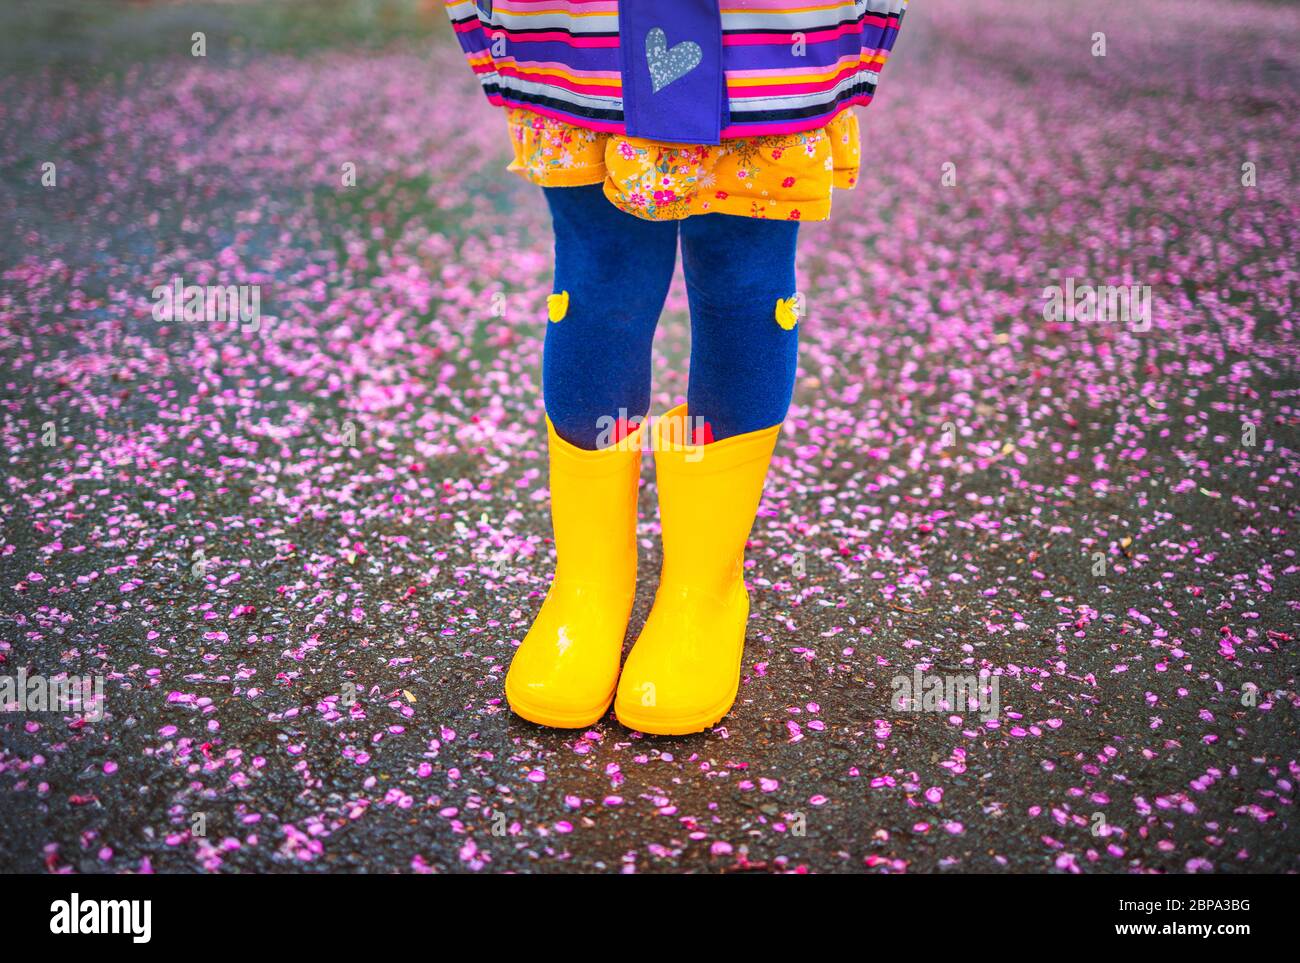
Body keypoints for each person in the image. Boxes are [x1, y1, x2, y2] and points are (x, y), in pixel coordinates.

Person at [443, 0, 908, 733]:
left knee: (745, 287)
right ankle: (590, 583)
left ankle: (705, 585)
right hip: (578, 33)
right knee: (598, 284)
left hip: (769, 32)